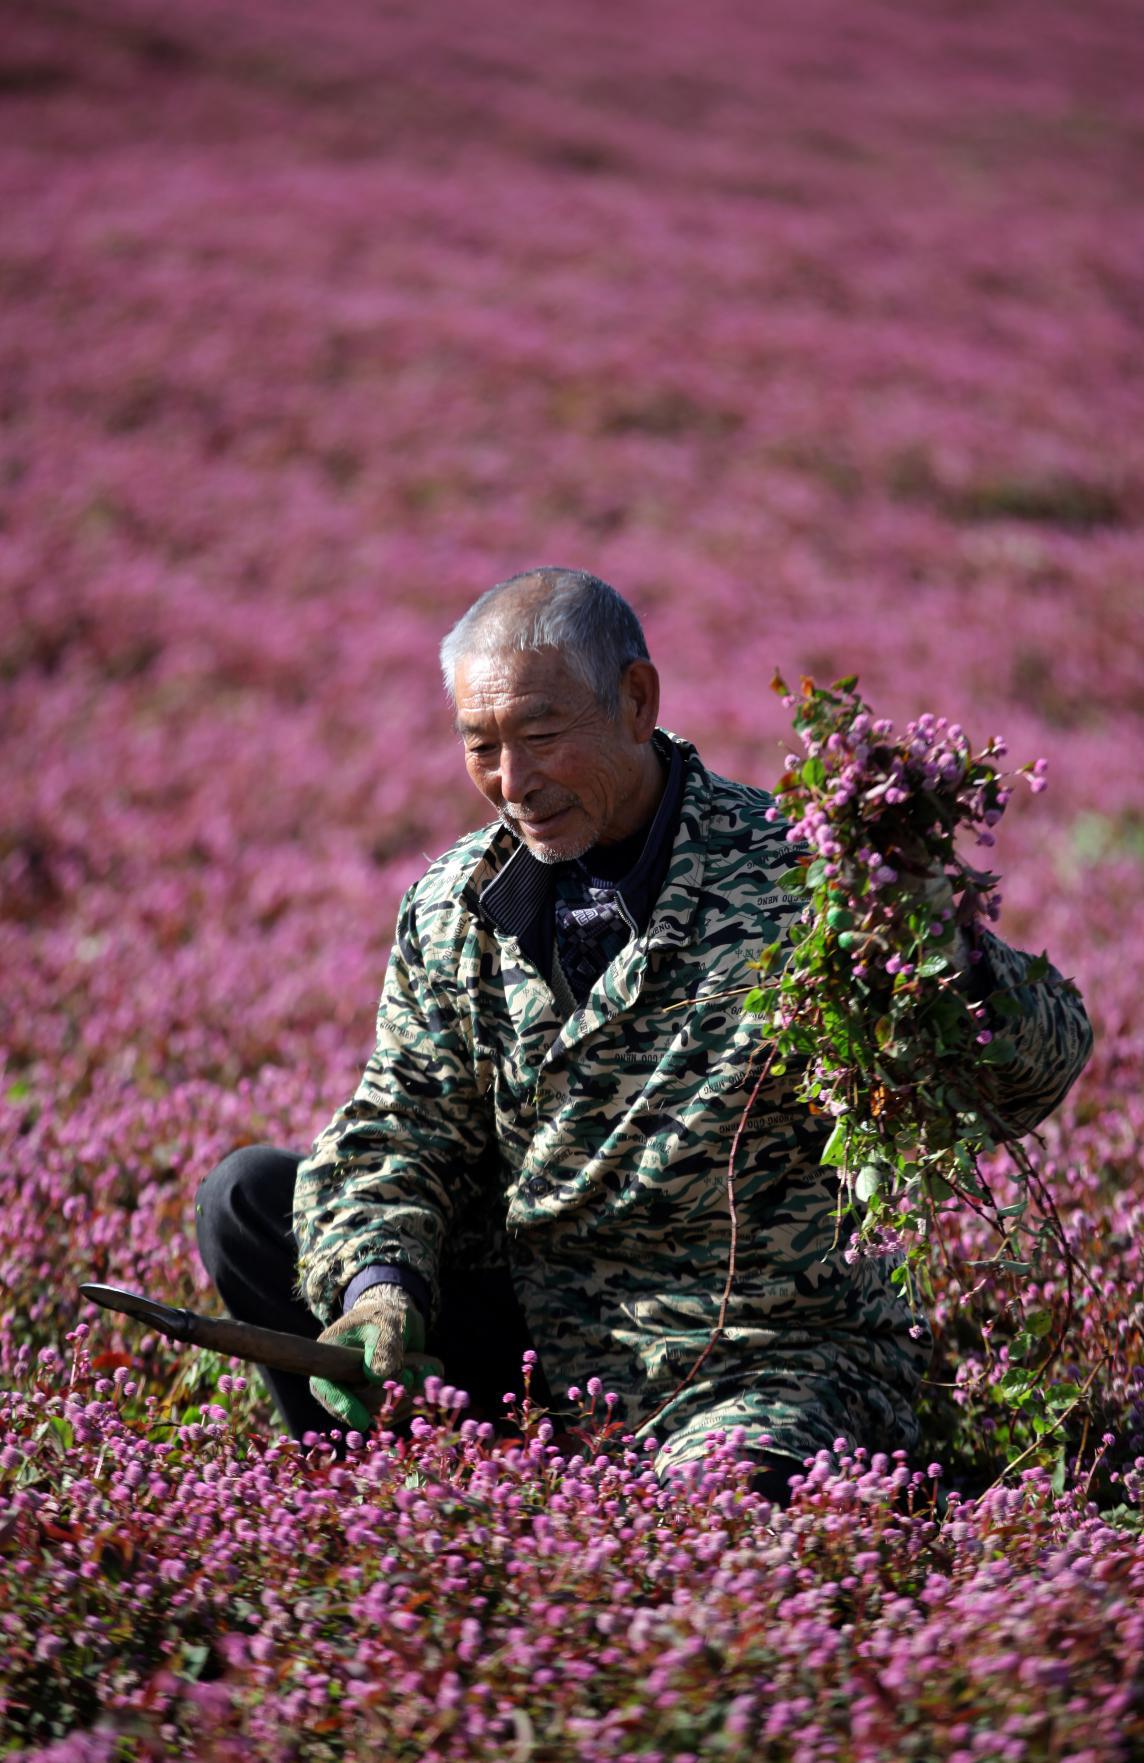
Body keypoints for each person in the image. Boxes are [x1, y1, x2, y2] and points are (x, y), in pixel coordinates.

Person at [196, 567, 1092, 1499]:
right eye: (481, 747)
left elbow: (1035, 1071)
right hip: (539, 1343)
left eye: (542, 737)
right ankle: (391, 1513)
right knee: (248, 1202)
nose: (514, 783)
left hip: (756, 1358)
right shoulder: (452, 903)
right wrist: (380, 1290)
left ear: (636, 701)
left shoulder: (805, 880)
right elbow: (400, 1120)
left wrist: (936, 944)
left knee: (719, 1511)